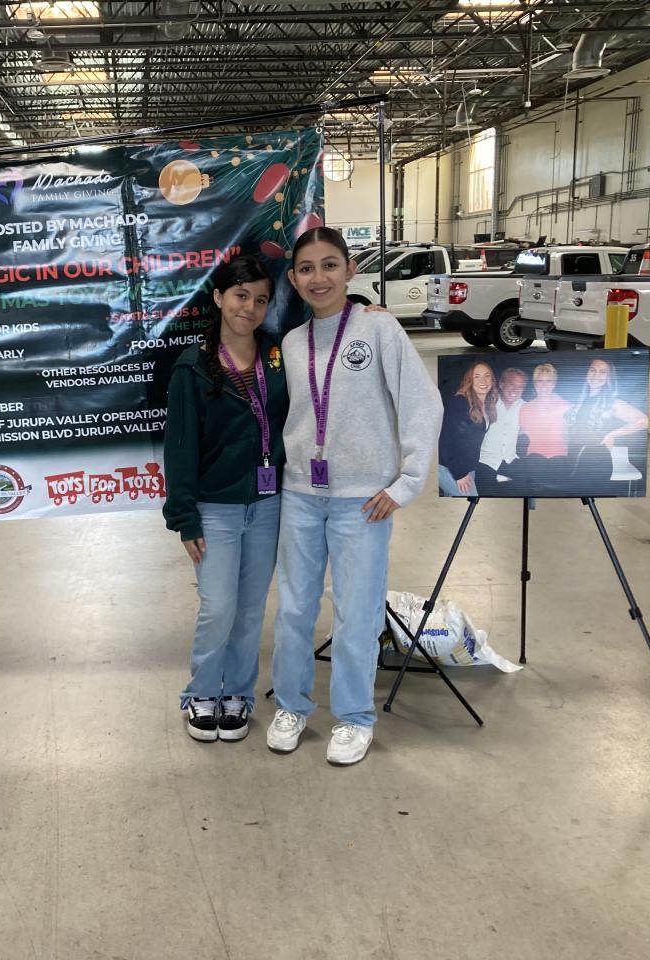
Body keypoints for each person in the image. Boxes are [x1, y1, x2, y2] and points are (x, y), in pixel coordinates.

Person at [266, 227, 442, 765]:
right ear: (293, 278)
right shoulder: (291, 343)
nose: (318, 277)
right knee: (294, 608)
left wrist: (406, 482)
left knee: (356, 612)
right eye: (306, 268)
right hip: (301, 493)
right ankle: (292, 705)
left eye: (329, 265)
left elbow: (422, 404)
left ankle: (354, 717)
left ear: (349, 269)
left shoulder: (379, 328)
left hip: (362, 499)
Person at [163, 255, 286, 743]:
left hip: (269, 504)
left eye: (260, 299)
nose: (249, 308)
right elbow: (180, 448)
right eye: (240, 295)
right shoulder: (193, 367)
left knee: (251, 609)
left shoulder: (278, 356)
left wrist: (366, 310)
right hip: (215, 508)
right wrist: (185, 518)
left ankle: (237, 692)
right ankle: (200, 692)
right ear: (218, 298)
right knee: (218, 608)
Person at [568, 357, 648, 488]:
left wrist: (612, 434)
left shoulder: (612, 403)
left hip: (594, 461)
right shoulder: (579, 400)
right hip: (574, 456)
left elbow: (643, 421)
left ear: (609, 378)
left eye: (603, 372)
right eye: (592, 370)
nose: (596, 375)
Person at [438, 361, 496, 497]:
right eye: (477, 376)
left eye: (487, 376)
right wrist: (460, 474)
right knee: (471, 502)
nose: (483, 380)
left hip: (467, 467)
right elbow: (445, 442)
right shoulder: (459, 402)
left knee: (457, 506)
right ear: (469, 381)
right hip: (450, 467)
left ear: (492, 380)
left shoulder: (486, 405)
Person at [517, 363, 570, 490]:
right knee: (534, 463)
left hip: (559, 459)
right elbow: (521, 437)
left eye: (549, 381)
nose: (544, 385)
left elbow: (570, 437)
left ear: (554, 384)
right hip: (533, 460)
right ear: (535, 384)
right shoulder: (525, 408)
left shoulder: (566, 406)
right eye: (540, 381)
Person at [476, 366, 527, 494]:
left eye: (520, 387)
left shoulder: (525, 407)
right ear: (501, 384)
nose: (515, 390)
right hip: (485, 461)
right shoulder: (487, 403)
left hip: (511, 460)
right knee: (487, 492)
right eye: (511, 384)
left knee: (528, 484)